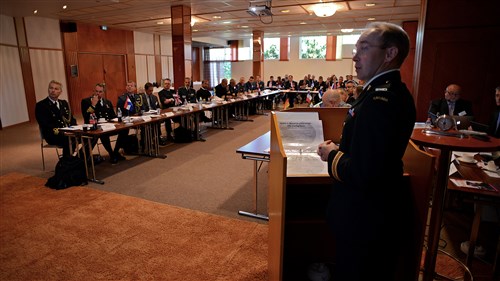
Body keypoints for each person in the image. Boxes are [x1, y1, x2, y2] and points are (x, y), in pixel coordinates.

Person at [316, 22, 416, 280]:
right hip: (373, 210)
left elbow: (363, 172)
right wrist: (344, 148)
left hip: (365, 215)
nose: (354, 56)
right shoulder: (381, 92)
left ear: (390, 53)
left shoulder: (379, 101)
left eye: (364, 47)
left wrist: (332, 155)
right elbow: (370, 150)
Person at [80, 83, 124, 164]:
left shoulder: (107, 102)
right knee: (103, 133)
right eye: (96, 91)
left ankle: (115, 151)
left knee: (124, 130)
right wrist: (93, 105)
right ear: (93, 91)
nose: (98, 93)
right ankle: (111, 154)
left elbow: (113, 116)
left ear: (103, 92)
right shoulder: (86, 101)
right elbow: (86, 117)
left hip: (108, 125)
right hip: (94, 127)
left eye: (100, 92)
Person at [35, 80, 77, 157]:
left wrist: (76, 129)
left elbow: (71, 119)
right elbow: (45, 124)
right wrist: (63, 131)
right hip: (53, 134)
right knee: (69, 139)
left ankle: (80, 158)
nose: (53, 91)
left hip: (68, 132)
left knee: (88, 136)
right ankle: (67, 162)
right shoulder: (41, 105)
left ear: (60, 92)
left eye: (56, 89)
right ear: (48, 89)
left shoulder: (63, 103)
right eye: (51, 88)